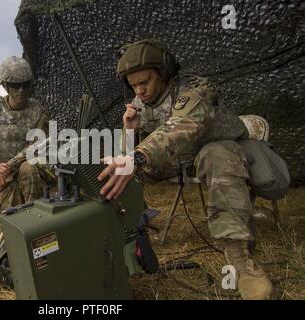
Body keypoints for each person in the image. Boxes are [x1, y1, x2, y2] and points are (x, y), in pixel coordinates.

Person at [97, 39, 273, 300]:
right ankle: (129, 245)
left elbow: (180, 127)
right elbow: (130, 155)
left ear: (165, 72)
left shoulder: (197, 91)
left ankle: (240, 261)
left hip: (223, 152)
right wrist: (130, 131)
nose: (140, 90)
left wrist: (139, 157)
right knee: (119, 171)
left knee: (217, 155)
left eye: (145, 81)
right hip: (181, 159)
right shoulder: (140, 103)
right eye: (133, 85)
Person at [0, 56, 51, 215]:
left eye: (25, 85)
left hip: (34, 176)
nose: (21, 90)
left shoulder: (38, 110)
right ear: (5, 85)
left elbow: (38, 147)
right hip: (6, 178)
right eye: (15, 85)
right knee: (9, 228)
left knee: (29, 167)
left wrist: (11, 165)